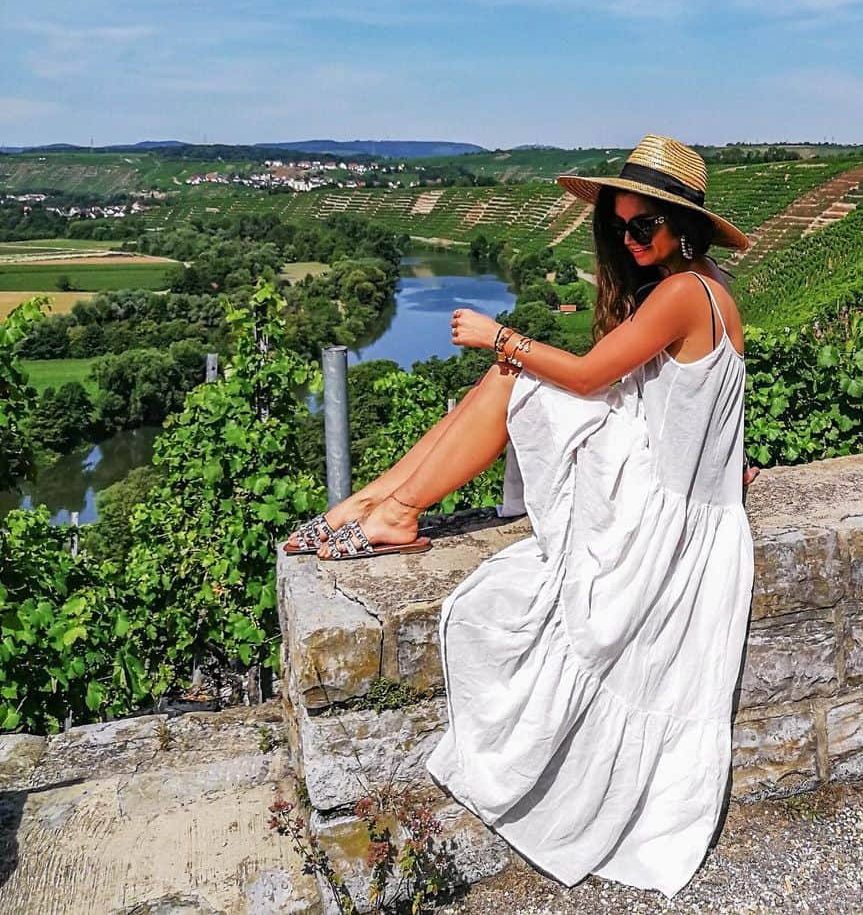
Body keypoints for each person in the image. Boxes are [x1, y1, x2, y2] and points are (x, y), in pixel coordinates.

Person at [282, 133, 759, 898]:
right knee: (512, 381)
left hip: (658, 517)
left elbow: (590, 369)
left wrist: (494, 332)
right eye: (620, 226)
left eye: (645, 227)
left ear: (685, 226)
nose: (630, 240)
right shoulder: (711, 285)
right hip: (691, 505)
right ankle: (378, 502)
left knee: (513, 375)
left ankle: (387, 507)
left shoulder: (678, 294)